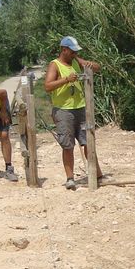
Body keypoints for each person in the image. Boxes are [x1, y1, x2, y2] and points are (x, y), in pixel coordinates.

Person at [44, 36, 101, 190]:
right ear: (64, 50)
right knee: (68, 145)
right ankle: (70, 178)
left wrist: (87, 64)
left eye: (76, 51)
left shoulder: (76, 61)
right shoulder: (54, 65)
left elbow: (96, 67)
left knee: (88, 140)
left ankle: (95, 172)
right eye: (72, 51)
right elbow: (48, 86)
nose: (74, 54)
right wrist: (66, 80)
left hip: (81, 108)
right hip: (63, 111)